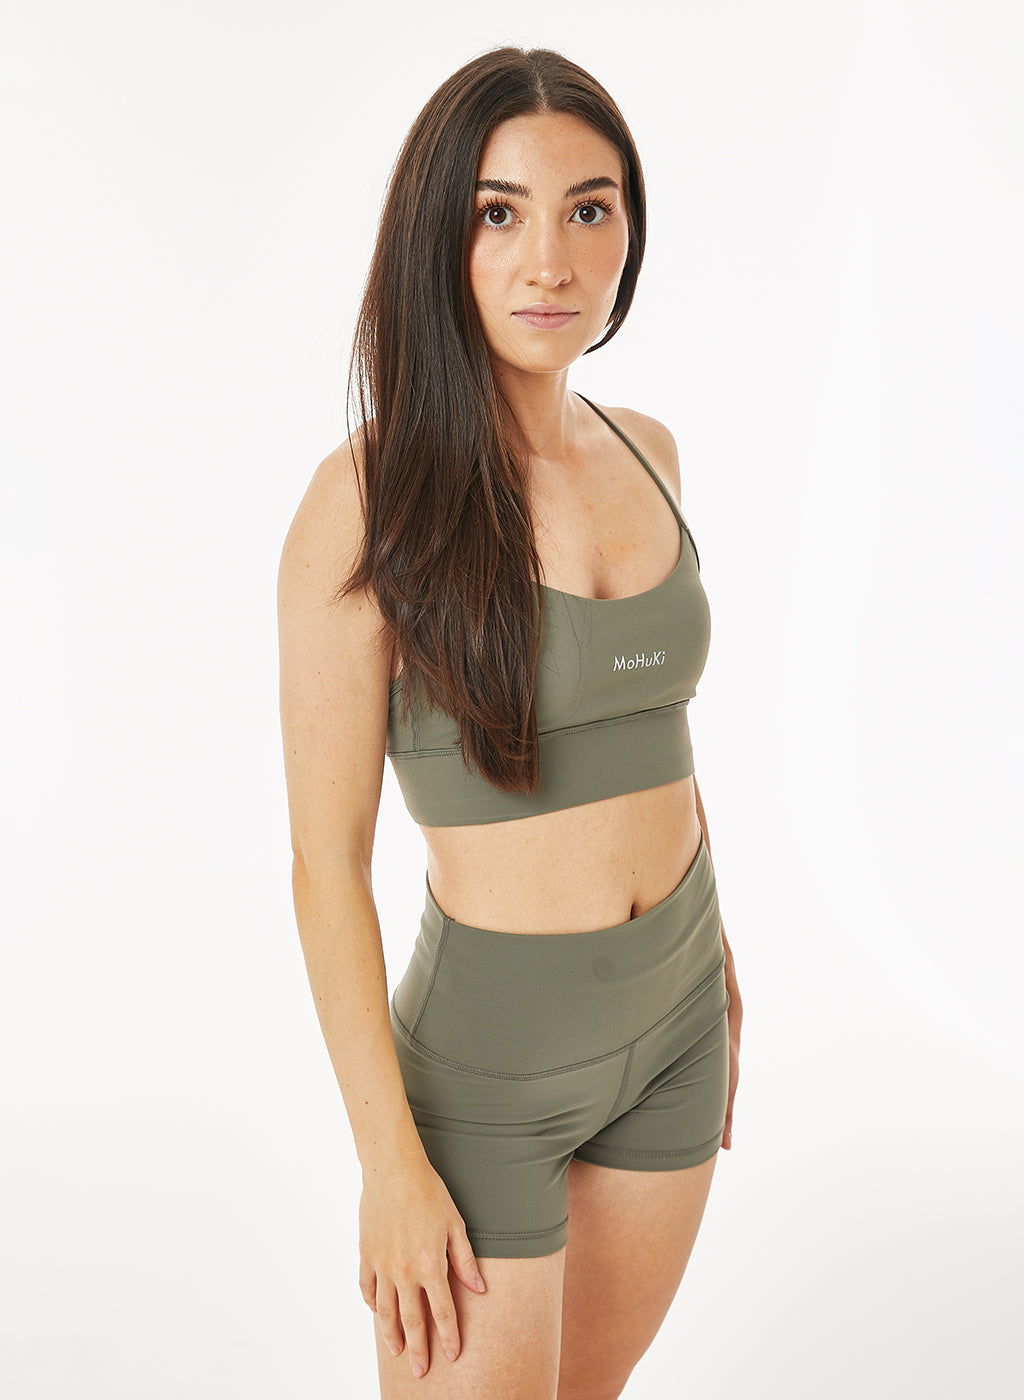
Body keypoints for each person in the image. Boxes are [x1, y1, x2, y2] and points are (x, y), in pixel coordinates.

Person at [278, 45, 743, 1400]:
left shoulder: (650, 451)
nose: (551, 260)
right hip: (487, 1074)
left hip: (678, 1025)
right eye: (500, 213)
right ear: (441, 234)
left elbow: (658, 727)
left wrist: (715, 949)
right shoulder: (368, 500)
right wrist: (388, 1164)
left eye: (589, 209)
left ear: (629, 230)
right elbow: (324, 863)